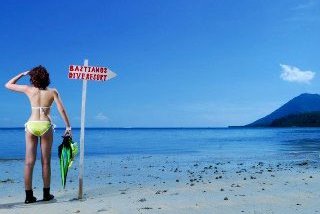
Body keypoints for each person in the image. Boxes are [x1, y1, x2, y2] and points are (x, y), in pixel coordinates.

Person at [5, 65, 72, 204]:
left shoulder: (29, 90)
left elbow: (8, 85)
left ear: (33, 78)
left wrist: (22, 74)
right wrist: (68, 126)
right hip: (45, 125)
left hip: (31, 125)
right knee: (45, 162)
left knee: (29, 162)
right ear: (46, 77)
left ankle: (29, 197)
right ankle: (46, 194)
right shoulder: (53, 91)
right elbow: (62, 110)